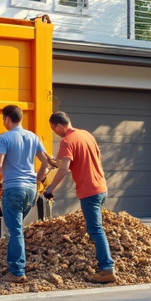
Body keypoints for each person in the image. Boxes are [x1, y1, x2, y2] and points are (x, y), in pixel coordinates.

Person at [0, 104, 56, 284]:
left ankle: (17, 271)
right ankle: (15, 265)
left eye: (3, 119)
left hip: (14, 189)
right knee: (16, 230)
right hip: (30, 191)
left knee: (15, 231)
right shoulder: (33, 137)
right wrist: (37, 180)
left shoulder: (4, 138)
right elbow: (46, 162)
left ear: (7, 119)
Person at [42, 111, 116, 284]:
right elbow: (86, 158)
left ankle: (107, 269)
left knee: (96, 229)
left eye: (54, 129)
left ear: (57, 126)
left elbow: (64, 168)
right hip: (101, 187)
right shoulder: (86, 135)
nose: (54, 132)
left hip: (89, 191)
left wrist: (51, 188)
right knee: (94, 228)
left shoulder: (66, 141)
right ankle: (102, 263)